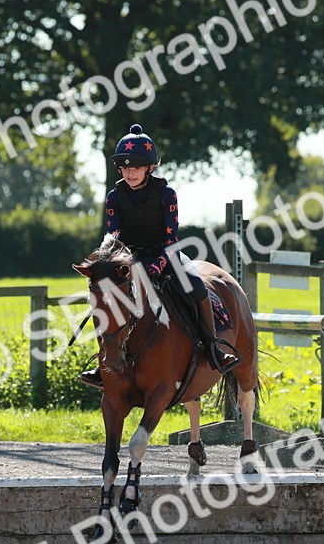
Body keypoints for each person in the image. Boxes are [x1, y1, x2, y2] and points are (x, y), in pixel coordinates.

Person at [79, 124, 238, 389]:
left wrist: (158, 264)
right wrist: (114, 262)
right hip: (129, 261)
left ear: (149, 168)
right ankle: (103, 362)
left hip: (167, 253)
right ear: (120, 169)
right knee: (106, 298)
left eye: (137, 167)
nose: (131, 172)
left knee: (197, 287)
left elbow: (171, 236)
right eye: (126, 167)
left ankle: (213, 349)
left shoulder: (166, 194)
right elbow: (114, 237)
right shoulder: (114, 197)